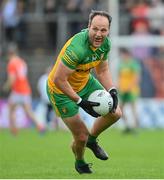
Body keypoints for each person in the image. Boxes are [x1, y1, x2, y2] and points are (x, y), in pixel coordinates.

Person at [47, 10, 122, 174]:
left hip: (85, 82)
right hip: (60, 90)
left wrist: (112, 90)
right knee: (81, 136)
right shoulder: (77, 48)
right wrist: (81, 102)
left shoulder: (105, 44)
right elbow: (59, 79)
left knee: (116, 113)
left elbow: (102, 71)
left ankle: (92, 140)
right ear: (88, 27)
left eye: (103, 30)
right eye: (95, 29)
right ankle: (80, 162)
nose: (98, 34)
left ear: (108, 31)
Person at [3, 43, 45, 135]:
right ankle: (40, 126)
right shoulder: (21, 61)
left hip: (17, 91)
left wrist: (6, 87)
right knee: (28, 112)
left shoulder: (11, 63)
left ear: (9, 54)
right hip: (25, 89)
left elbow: (12, 79)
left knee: (11, 109)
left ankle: (14, 131)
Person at [118, 48, 141, 133]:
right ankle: (128, 126)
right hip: (123, 90)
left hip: (132, 90)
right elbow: (120, 77)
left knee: (133, 108)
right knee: (120, 109)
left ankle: (135, 127)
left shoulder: (133, 64)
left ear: (127, 55)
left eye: (124, 55)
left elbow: (137, 77)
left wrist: (130, 87)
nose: (123, 56)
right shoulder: (121, 65)